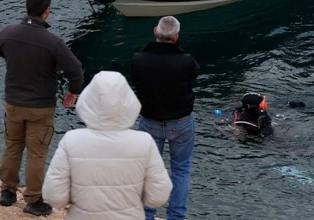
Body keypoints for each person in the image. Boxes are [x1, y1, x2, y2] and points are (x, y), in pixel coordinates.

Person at [0, 0, 84, 216]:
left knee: (12, 145)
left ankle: (7, 191)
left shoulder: (7, 33)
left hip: (13, 102)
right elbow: (75, 71)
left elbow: (2, 53)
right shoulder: (52, 42)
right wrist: (72, 92)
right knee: (36, 153)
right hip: (40, 106)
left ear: (26, 8)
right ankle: (33, 199)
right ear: (47, 12)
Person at [42, 71, 173, 219]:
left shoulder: (71, 140)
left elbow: (54, 195)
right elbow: (158, 196)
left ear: (88, 101)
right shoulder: (144, 142)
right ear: (128, 102)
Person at [131, 16, 199, 220]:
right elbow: (194, 75)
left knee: (149, 171)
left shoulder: (138, 59)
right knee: (180, 169)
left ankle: (147, 214)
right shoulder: (186, 61)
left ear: (155, 31)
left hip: (150, 121)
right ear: (176, 37)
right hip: (180, 122)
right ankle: (176, 216)